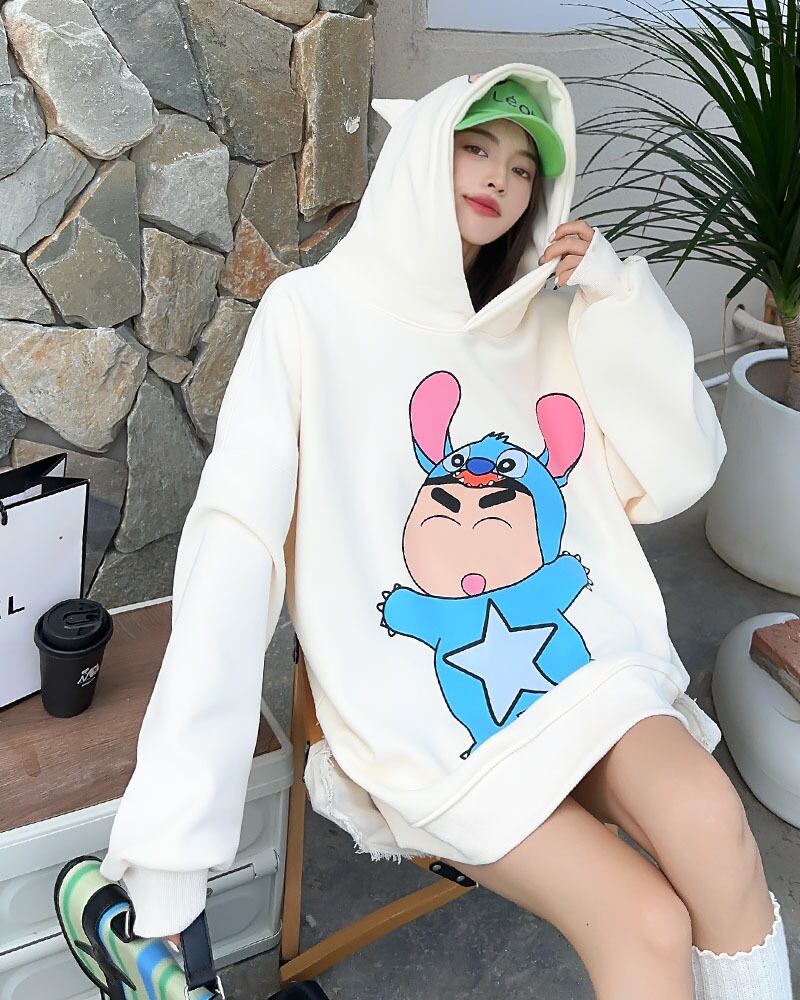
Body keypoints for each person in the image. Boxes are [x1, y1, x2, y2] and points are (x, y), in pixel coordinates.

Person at [98, 64, 792, 999]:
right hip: (425, 708)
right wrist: (173, 838)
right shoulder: (308, 317)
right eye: (476, 147)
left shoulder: (547, 320)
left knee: (714, 825)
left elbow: (680, 470)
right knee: (647, 923)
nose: (499, 177)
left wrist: (620, 302)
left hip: (589, 666)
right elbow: (235, 550)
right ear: (425, 148)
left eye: (524, 166)